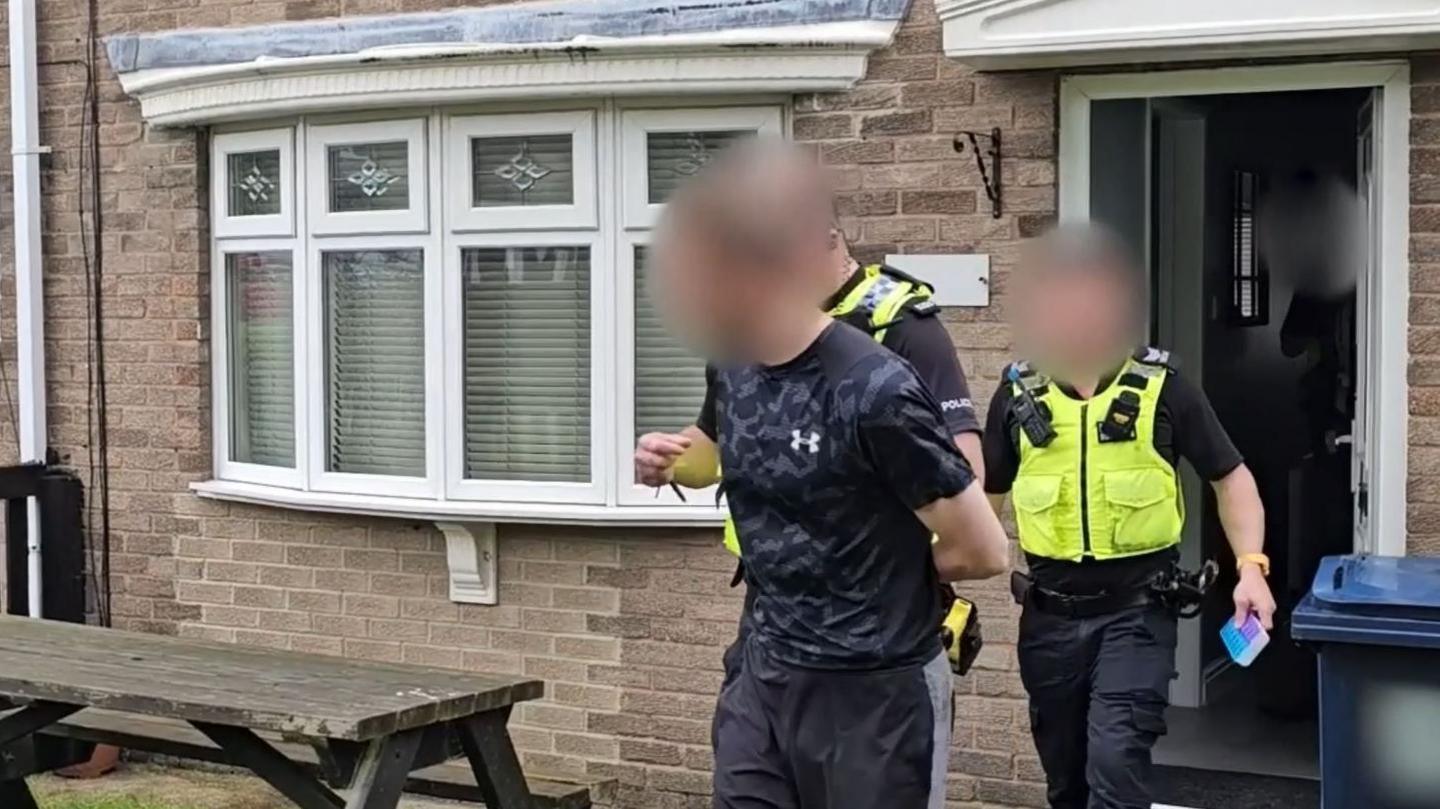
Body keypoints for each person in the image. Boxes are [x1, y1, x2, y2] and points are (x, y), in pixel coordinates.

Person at [644, 139, 1010, 809]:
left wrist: (884, 575)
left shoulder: (879, 376)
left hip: (873, 688)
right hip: (766, 664)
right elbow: (715, 451)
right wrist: (671, 460)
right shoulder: (731, 363)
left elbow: (983, 544)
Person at [983, 223, 1277, 809]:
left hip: (1137, 615)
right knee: (1066, 782)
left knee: (1115, 766)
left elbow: (1231, 478)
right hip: (1048, 619)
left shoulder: (1164, 389)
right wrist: (937, 573)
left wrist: (1251, 567)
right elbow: (982, 498)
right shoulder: (1018, 397)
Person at [635, 219, 988, 681]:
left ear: (829, 238)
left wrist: (895, 574)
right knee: (748, 745)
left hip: (872, 622)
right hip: (773, 607)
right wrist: (668, 461)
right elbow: (714, 451)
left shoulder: (900, 327)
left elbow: (967, 476)